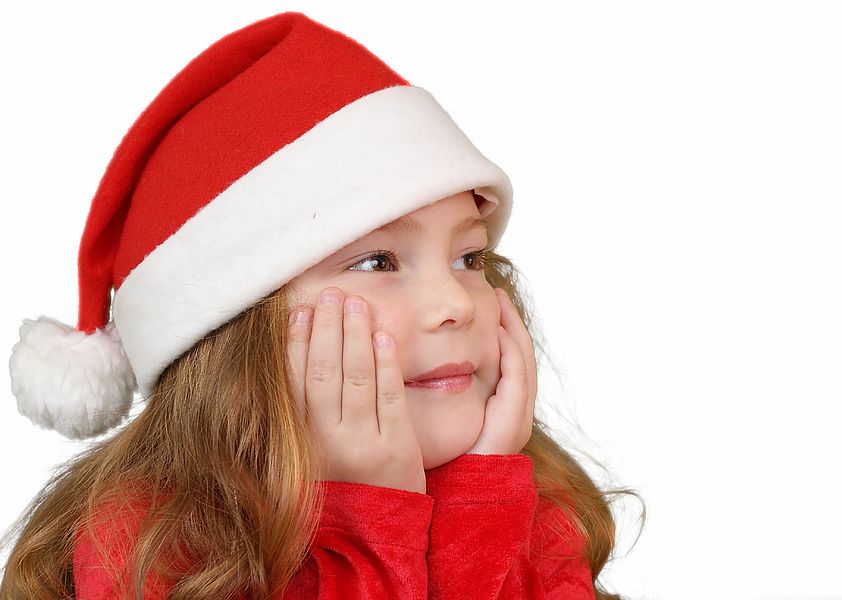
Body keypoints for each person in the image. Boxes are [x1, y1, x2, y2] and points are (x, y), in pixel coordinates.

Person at [1, 11, 642, 600]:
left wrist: (477, 510)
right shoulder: (146, 547)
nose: (455, 304)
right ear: (239, 329)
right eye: (377, 263)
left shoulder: (534, 513)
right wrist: (371, 523)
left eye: (468, 259)